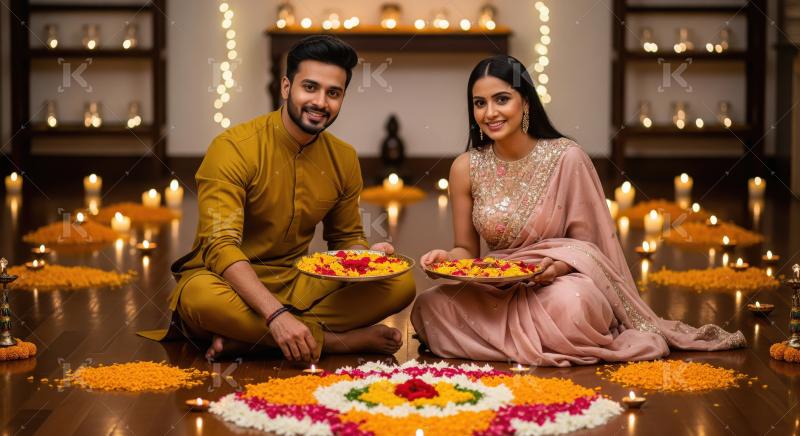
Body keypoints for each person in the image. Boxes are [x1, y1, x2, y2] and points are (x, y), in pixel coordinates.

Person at [411, 55, 745, 367]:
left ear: (525, 102)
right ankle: (529, 344)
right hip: (497, 286)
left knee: (576, 304)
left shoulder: (567, 158)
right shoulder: (465, 167)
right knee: (430, 307)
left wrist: (553, 269)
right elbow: (467, 251)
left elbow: (590, 249)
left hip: (555, 286)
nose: (490, 113)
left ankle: (495, 342)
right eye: (479, 103)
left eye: (501, 99)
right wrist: (446, 257)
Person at [139, 35, 416, 362]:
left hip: (297, 281)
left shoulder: (343, 158)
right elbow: (219, 246)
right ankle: (333, 342)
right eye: (309, 87)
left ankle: (250, 339)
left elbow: (346, 238)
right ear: (286, 87)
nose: (320, 102)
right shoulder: (233, 147)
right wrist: (275, 317)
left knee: (401, 285)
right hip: (224, 283)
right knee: (198, 299)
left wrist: (367, 260)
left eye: (333, 93)